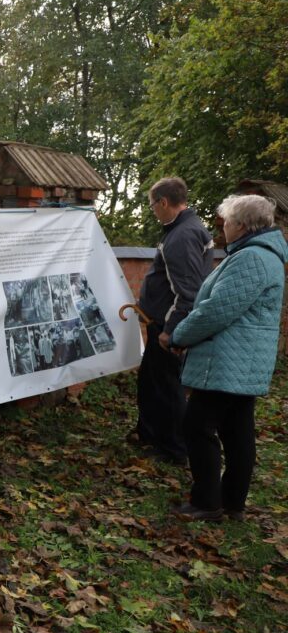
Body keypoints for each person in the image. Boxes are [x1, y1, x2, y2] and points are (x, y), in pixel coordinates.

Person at [169, 195, 287, 521]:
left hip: (228, 361)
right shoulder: (261, 254)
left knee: (197, 426)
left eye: (228, 221)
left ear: (242, 225)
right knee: (236, 431)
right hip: (241, 360)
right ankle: (232, 502)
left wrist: (180, 335)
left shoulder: (252, 258)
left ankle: (207, 502)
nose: (223, 227)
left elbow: (216, 310)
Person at [132, 177, 215, 465]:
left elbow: (187, 293)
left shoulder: (181, 237)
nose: (153, 210)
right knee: (152, 383)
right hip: (162, 322)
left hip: (167, 327)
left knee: (167, 389)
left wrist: (170, 331)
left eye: (152, 205)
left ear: (164, 202)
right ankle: (150, 435)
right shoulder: (189, 228)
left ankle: (174, 449)